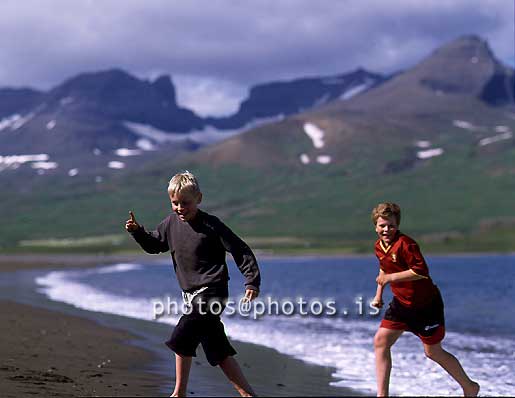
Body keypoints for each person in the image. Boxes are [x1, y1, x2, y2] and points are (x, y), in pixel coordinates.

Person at [125, 171, 260, 397]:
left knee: (182, 334)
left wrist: (251, 282)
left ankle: (179, 393)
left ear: (199, 198)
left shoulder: (212, 225)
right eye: (175, 203)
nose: (180, 208)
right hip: (191, 296)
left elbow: (240, 249)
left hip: (214, 291)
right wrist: (138, 232)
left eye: (185, 203)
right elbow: (155, 245)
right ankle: (248, 395)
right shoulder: (170, 224)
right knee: (217, 349)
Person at [370, 202, 479, 397]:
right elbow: (384, 269)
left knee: (433, 352)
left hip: (425, 306)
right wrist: (379, 294)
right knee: (380, 341)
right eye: (382, 225)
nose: (386, 230)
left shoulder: (406, 244)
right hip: (401, 304)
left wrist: (390, 278)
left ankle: (469, 387)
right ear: (375, 226)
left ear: (397, 225)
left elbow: (420, 272)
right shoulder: (379, 246)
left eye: (391, 225)